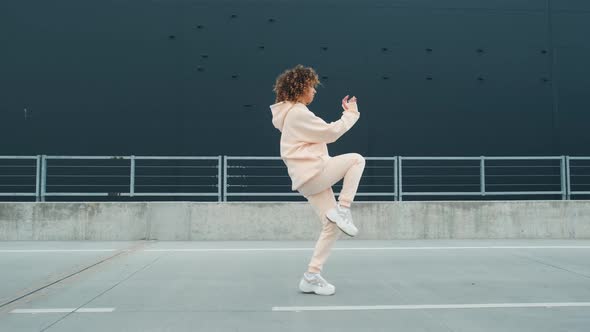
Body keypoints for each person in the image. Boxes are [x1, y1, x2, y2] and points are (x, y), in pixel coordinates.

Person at [270, 64, 365, 296]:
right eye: (311, 86)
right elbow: (331, 133)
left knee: (330, 227)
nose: (314, 91)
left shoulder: (289, 114)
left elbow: (319, 135)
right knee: (356, 160)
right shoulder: (298, 113)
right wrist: (351, 113)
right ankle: (343, 209)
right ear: (300, 88)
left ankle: (311, 276)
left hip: (307, 180)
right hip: (314, 174)